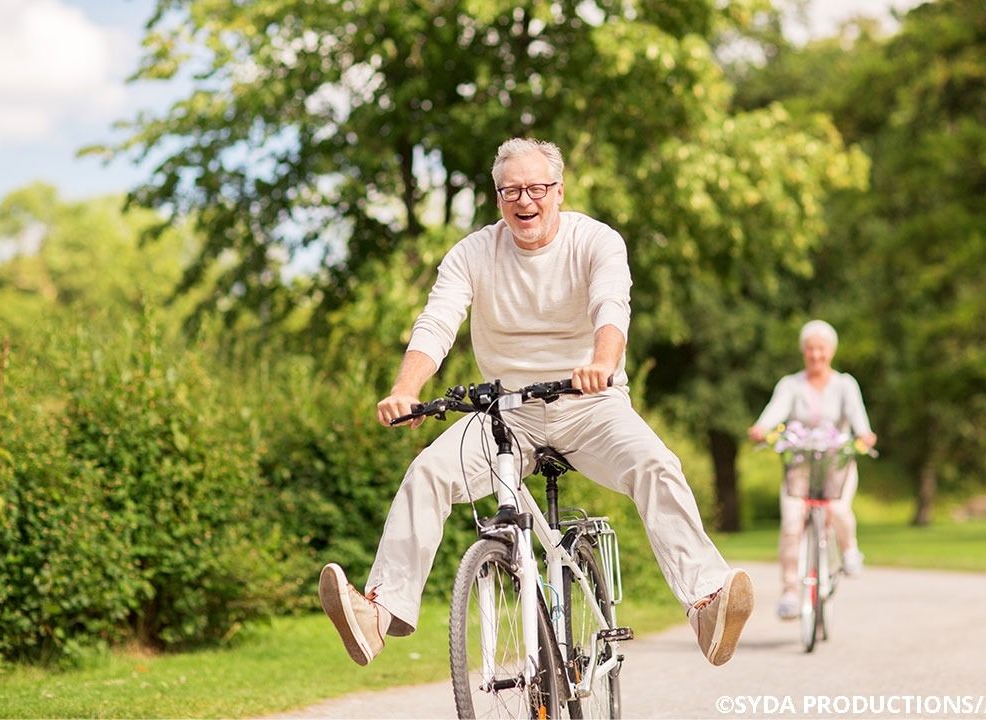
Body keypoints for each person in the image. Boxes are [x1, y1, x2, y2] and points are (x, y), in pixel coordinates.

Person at [319, 138, 754, 668]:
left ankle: (707, 603)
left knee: (656, 465)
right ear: (497, 197)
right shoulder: (472, 253)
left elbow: (611, 307)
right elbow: (437, 323)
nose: (524, 201)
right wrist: (405, 389)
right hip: (506, 413)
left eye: (535, 188)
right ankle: (378, 614)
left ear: (558, 191)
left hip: (590, 403)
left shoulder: (595, 241)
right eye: (510, 191)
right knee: (427, 472)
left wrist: (601, 362)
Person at [747, 320, 876, 621]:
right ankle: (790, 593)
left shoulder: (845, 384)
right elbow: (774, 411)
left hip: (836, 464)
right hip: (800, 465)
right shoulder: (791, 385)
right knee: (792, 523)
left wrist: (865, 435)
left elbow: (859, 420)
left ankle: (849, 551)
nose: (815, 355)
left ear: (830, 351)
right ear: (803, 352)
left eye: (821, 349)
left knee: (838, 509)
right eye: (810, 349)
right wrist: (761, 428)